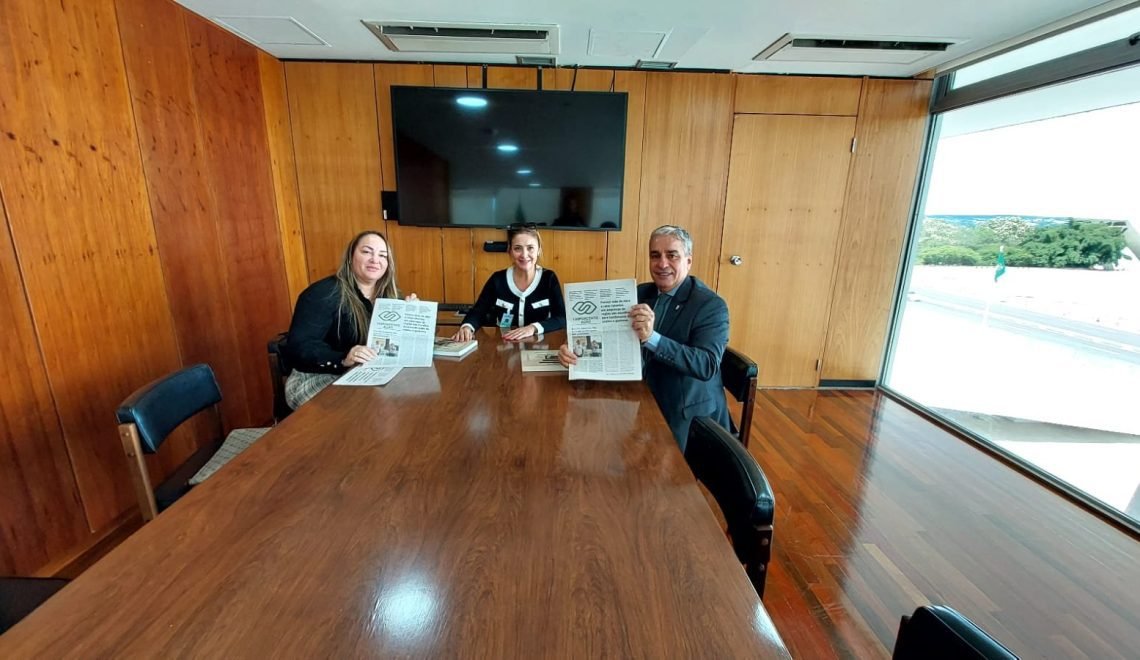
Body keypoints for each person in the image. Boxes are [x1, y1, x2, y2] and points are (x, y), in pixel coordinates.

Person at [558, 225, 730, 452]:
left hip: (684, 411)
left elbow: (706, 365)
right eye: (655, 255)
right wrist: (577, 348)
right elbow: (611, 340)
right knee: (591, 441)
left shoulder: (711, 305)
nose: (662, 264)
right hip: (639, 394)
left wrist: (652, 338)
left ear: (688, 261)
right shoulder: (640, 293)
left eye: (672, 255)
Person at [283, 230, 415, 409]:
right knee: (361, 413)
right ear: (351, 256)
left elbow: (393, 348)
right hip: (314, 377)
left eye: (382, 255)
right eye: (367, 252)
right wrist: (343, 358)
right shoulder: (323, 293)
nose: (375, 259)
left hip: (366, 377)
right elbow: (300, 346)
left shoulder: (392, 297)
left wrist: (412, 316)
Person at [452, 224, 566, 342]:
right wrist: (467, 327)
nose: (524, 255)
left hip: (538, 349)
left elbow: (562, 318)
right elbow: (478, 311)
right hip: (504, 348)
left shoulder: (549, 278)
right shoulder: (497, 279)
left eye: (530, 248)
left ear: (538, 250)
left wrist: (533, 328)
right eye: (517, 248)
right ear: (509, 251)